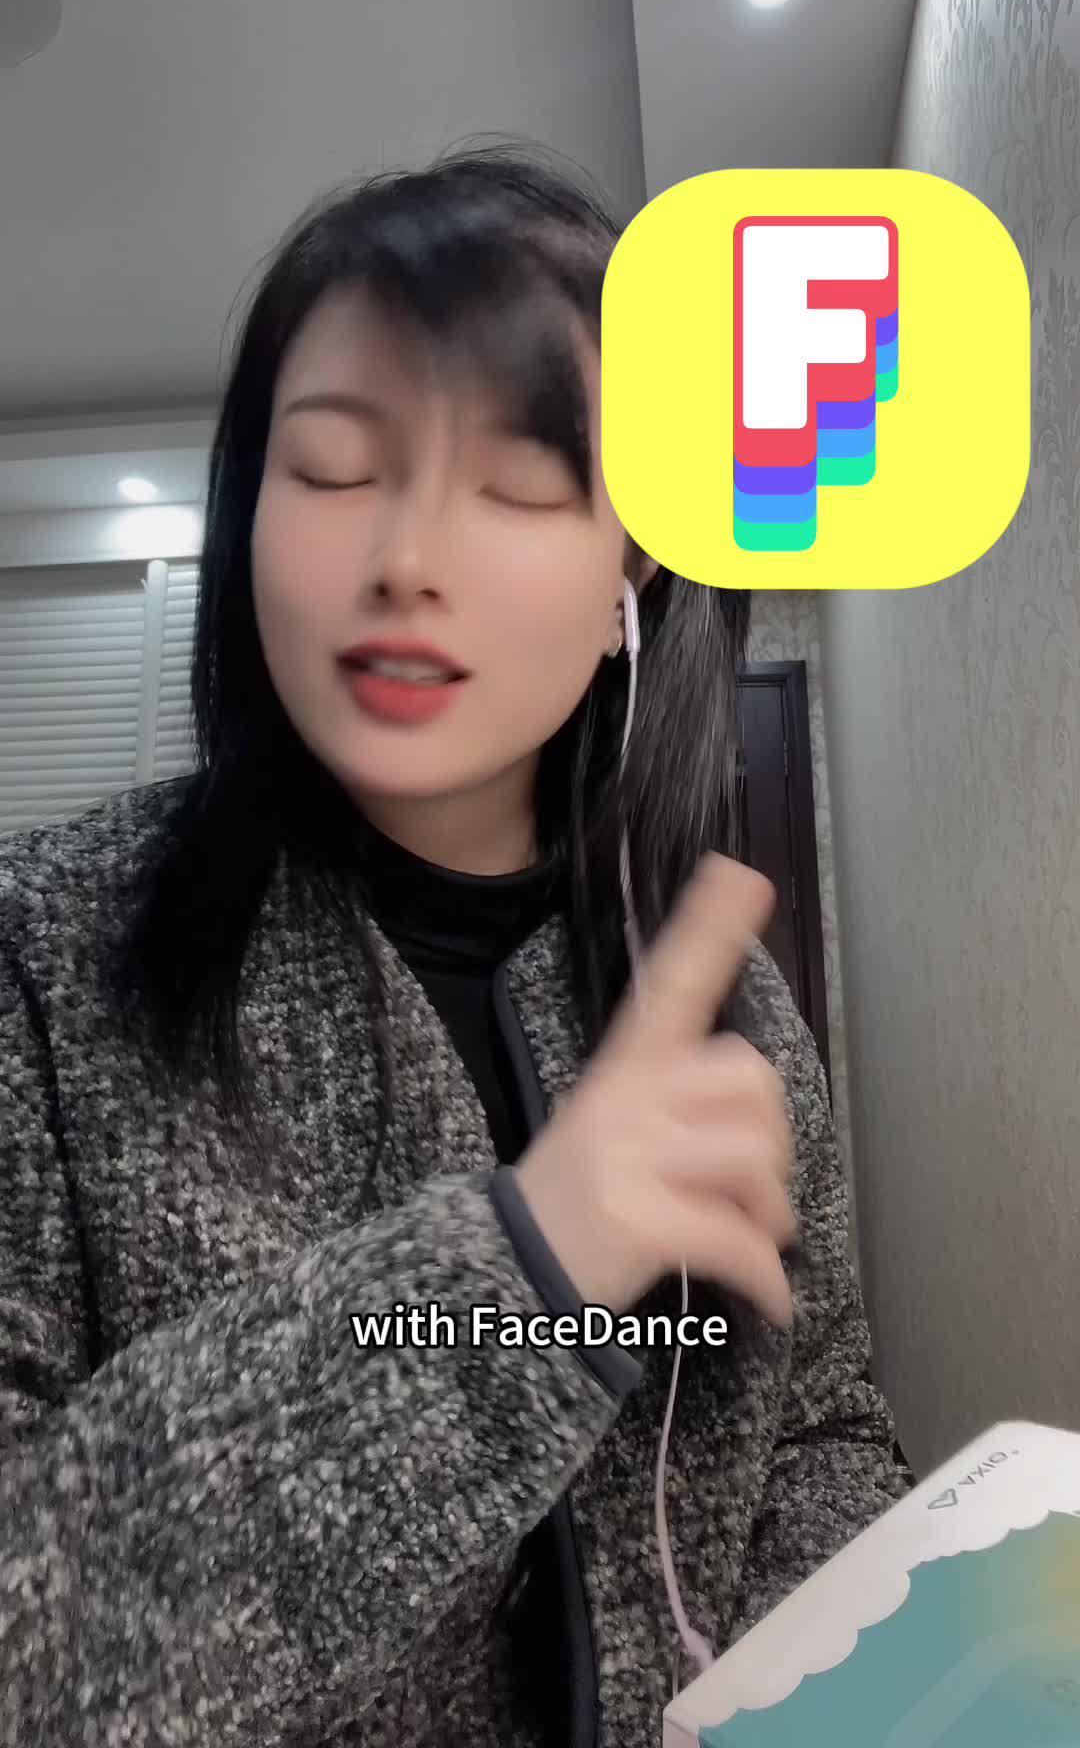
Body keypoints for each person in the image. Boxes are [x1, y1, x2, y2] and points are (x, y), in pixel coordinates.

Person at [0, 145, 911, 1748]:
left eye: (524, 479)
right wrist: (521, 1271)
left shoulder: (732, 1007)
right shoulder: (42, 959)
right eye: (333, 468)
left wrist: (821, 1695)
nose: (407, 556)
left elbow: (818, 1430)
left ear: (637, 552)